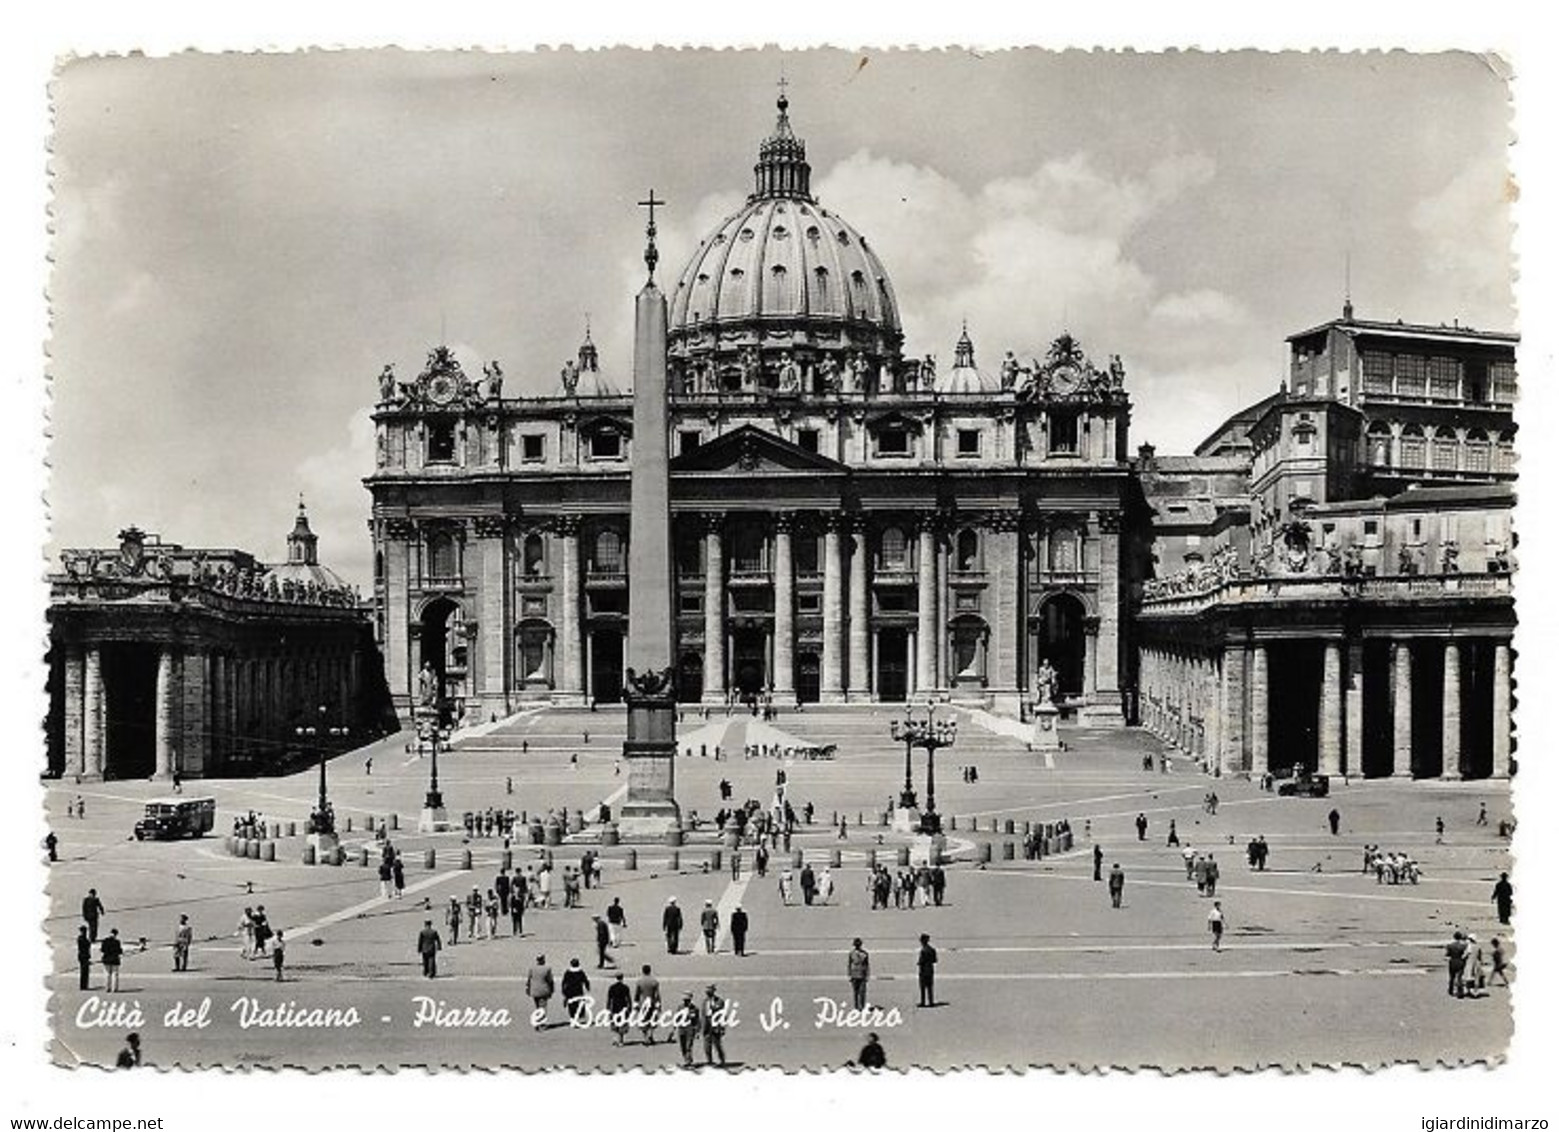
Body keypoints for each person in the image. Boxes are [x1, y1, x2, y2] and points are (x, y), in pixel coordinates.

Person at [634, 964, 662, 1045]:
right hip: (652, 1002)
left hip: (643, 1003)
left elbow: (637, 994)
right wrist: (659, 1004)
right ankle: (651, 1034)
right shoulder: (654, 981)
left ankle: (645, 1037)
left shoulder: (639, 981)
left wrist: (636, 1003)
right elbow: (657, 994)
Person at [702, 985, 728, 1067]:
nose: (707, 992)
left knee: (717, 1045)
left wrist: (722, 1027)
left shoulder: (719, 1001)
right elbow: (703, 1014)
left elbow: (722, 1014)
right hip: (707, 1025)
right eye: (707, 990)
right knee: (707, 1045)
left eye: (709, 990)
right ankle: (709, 1061)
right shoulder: (705, 1001)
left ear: (713, 991)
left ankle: (722, 1060)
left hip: (716, 1025)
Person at [526, 955, 554, 1027]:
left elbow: (529, 979)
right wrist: (552, 990)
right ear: (543, 960)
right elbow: (550, 980)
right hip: (544, 990)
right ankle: (541, 1023)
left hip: (534, 990)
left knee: (537, 1007)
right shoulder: (547, 968)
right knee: (543, 1007)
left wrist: (528, 988)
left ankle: (537, 1021)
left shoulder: (532, 968)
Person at [560, 958, 591, 1025]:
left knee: (571, 1005)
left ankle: (572, 1017)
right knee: (579, 1004)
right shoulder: (580, 972)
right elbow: (585, 980)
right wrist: (588, 987)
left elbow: (564, 982)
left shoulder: (568, 972)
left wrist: (563, 990)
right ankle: (578, 1017)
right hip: (578, 990)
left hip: (570, 991)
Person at [606, 973, 633, 1046]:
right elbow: (628, 999)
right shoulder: (625, 987)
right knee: (622, 1024)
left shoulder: (612, 987)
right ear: (622, 978)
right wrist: (630, 1007)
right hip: (623, 1007)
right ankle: (621, 1040)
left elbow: (609, 999)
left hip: (614, 1007)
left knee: (615, 1024)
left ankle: (616, 1038)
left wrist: (608, 1007)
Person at [676, 992, 701, 1067]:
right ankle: (686, 1059)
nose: (686, 1001)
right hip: (681, 1029)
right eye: (684, 1000)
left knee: (688, 1046)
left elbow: (697, 1021)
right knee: (682, 1046)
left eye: (687, 1000)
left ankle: (688, 1061)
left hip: (690, 1028)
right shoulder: (680, 1007)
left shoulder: (695, 1008)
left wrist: (697, 1032)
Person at [847, 938, 871, 1010]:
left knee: (859, 992)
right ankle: (858, 1006)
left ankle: (859, 1006)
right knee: (858, 992)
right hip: (857, 975)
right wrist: (849, 974)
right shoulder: (863, 953)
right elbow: (849, 964)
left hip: (859, 974)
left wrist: (867, 975)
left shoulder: (854, 953)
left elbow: (866, 965)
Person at [1446, 930, 1470, 998]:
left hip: (1452, 961)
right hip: (1460, 961)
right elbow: (1466, 953)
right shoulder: (1463, 946)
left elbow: (1447, 954)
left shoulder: (1450, 945)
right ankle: (1460, 992)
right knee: (1459, 977)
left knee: (1452, 977)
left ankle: (1451, 990)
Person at [917, 933, 938, 1008]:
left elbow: (921, 961)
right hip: (930, 970)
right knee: (930, 987)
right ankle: (931, 1002)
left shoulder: (923, 951)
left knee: (922, 987)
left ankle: (923, 1002)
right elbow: (935, 960)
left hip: (923, 970)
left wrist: (919, 963)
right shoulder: (932, 949)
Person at [100, 928, 123, 993]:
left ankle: (107, 987)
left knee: (107, 974)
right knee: (114, 974)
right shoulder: (117, 942)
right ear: (116, 934)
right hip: (115, 959)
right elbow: (120, 951)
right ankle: (114, 988)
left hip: (106, 959)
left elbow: (102, 949)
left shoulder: (105, 941)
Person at [76, 925, 92, 990]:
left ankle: (83, 985)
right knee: (84, 971)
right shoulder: (83, 939)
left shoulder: (80, 938)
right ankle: (84, 985)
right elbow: (86, 947)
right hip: (84, 956)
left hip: (81, 955)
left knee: (83, 971)